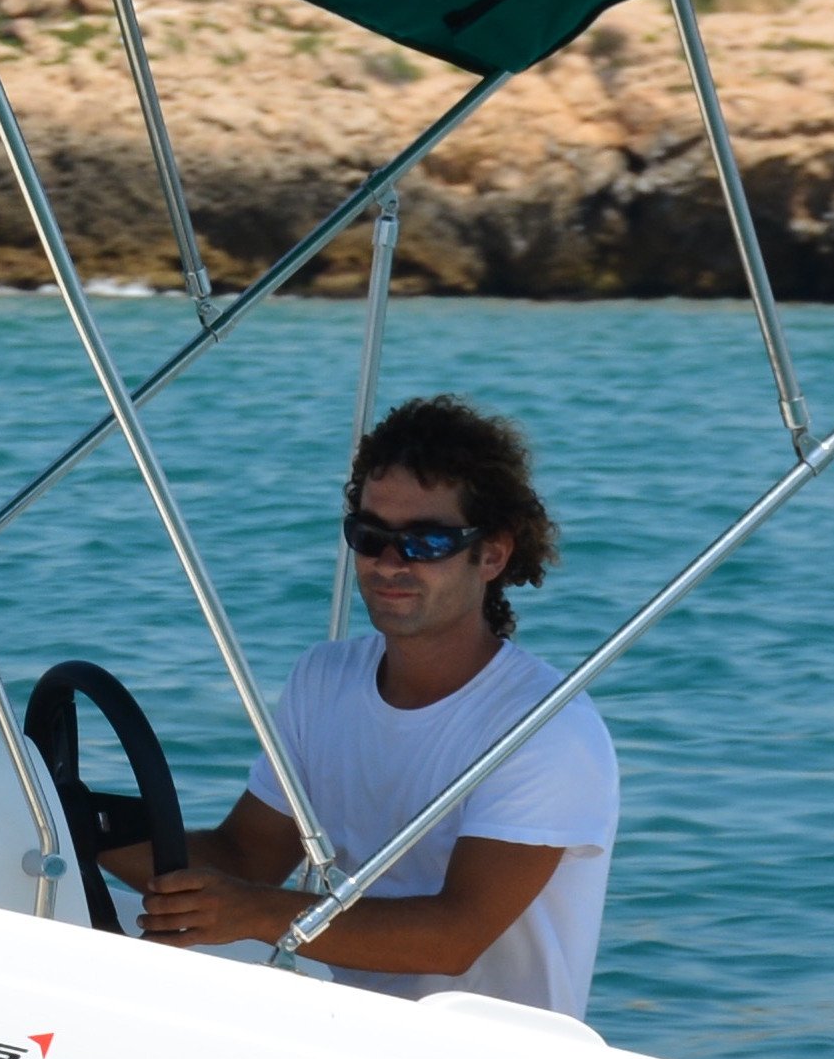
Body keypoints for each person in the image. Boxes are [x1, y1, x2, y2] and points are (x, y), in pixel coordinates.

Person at [123, 394, 618, 1019]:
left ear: (492, 554)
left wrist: (252, 913)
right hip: (349, 1035)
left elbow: (453, 936)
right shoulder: (322, 680)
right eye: (370, 535)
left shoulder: (547, 730)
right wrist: (73, 820)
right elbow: (246, 858)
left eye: (427, 541)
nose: (389, 562)